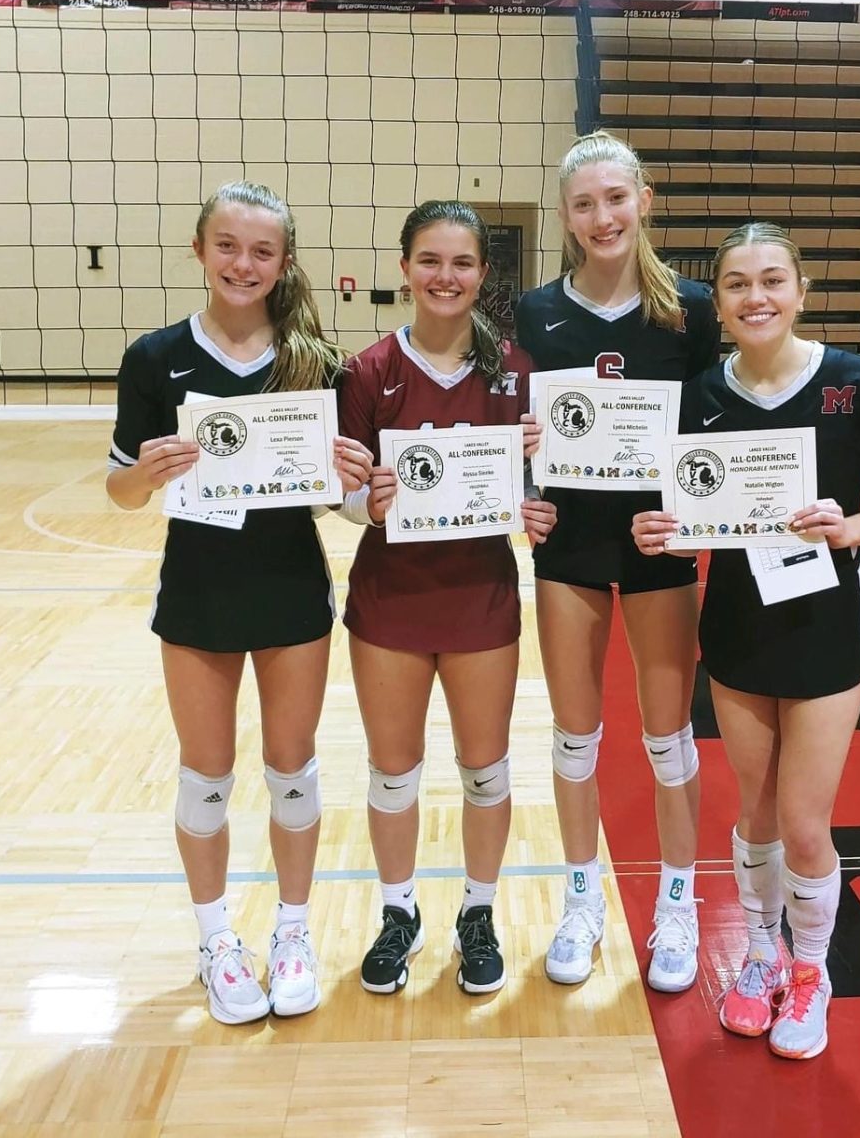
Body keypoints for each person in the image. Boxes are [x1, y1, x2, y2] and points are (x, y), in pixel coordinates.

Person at [631, 222, 860, 1057]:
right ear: (716, 302)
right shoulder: (698, 396)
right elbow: (686, 515)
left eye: (771, 281)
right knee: (754, 815)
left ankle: (811, 971)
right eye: (735, 284)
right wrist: (666, 533)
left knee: (803, 824)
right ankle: (759, 956)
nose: (755, 297)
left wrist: (850, 528)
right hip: (737, 626)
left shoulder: (858, 382)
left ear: (800, 291)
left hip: (829, 626)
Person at [106, 181, 373, 1024]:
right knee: (206, 778)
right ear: (200, 251)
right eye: (228, 246)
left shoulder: (317, 363)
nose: (243, 264)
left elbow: (342, 502)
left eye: (261, 251)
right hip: (197, 595)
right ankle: (217, 939)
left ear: (283, 262)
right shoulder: (155, 359)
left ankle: (293, 933)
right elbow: (118, 492)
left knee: (292, 770)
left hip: (293, 590)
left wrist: (356, 484)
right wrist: (141, 474)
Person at [515, 131, 721, 992]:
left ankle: (679, 903)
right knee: (574, 739)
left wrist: (697, 517)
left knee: (669, 738)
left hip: (656, 545)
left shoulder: (693, 308)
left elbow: (717, 427)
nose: (603, 216)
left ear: (644, 200)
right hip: (567, 543)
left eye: (616, 197)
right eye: (585, 203)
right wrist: (521, 475)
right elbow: (519, 425)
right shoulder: (534, 311)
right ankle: (580, 897)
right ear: (565, 217)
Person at [337, 200, 556, 996]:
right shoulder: (365, 372)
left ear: (482, 275)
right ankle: (398, 914)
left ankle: (479, 912)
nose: (445, 276)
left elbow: (532, 489)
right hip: (390, 601)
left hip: (481, 598)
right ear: (405, 269)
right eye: (429, 260)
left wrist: (537, 510)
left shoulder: (516, 371)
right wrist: (371, 502)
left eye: (461, 263)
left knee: (485, 770)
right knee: (393, 773)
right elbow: (342, 496)